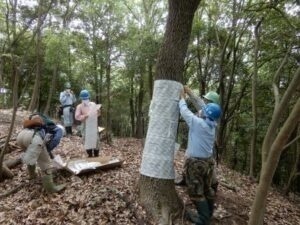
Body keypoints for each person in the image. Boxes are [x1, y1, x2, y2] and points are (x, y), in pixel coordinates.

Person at [179, 88, 221, 225]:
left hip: (196, 164)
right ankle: (208, 213)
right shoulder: (212, 124)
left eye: (204, 109)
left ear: (206, 114)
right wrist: (190, 93)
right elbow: (204, 107)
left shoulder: (198, 124)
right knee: (207, 188)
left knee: (196, 191)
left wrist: (182, 98)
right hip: (208, 163)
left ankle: (203, 219)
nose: (202, 109)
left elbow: (184, 111)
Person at [176, 86, 220, 193]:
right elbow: (198, 101)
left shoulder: (209, 110)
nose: (204, 100)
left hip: (206, 141)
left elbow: (196, 103)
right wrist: (189, 92)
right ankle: (186, 178)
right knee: (189, 155)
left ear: (211, 102)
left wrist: (186, 94)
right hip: (203, 138)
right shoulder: (211, 111)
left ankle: (212, 184)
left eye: (206, 99)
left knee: (208, 163)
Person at [16, 114, 66, 193]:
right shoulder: (59, 130)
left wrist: (45, 150)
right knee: (46, 163)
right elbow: (53, 142)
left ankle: (32, 175)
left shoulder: (44, 125)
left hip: (21, 136)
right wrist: (46, 152)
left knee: (31, 155)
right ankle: (51, 188)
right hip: (33, 137)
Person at [75, 89, 101, 157]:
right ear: (81, 99)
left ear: (88, 97)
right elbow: (77, 117)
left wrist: (98, 112)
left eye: (86, 98)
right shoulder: (79, 106)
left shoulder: (93, 104)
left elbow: (98, 115)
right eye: (84, 99)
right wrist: (84, 116)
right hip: (85, 125)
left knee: (96, 140)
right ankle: (90, 155)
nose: (85, 100)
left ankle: (96, 155)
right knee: (87, 140)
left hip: (93, 124)